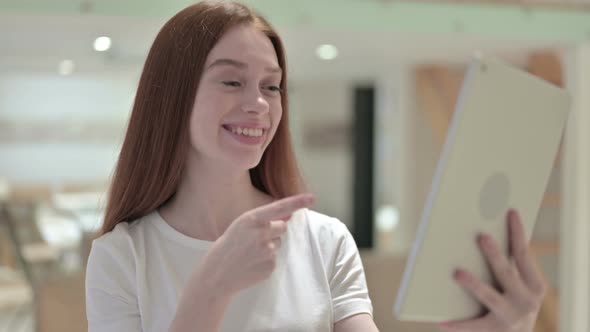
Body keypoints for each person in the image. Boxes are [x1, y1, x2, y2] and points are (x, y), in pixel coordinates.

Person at [85, 1, 546, 332]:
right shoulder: (124, 257)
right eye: (231, 80)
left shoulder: (323, 240)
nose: (258, 104)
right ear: (172, 96)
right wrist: (210, 288)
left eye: (272, 87)